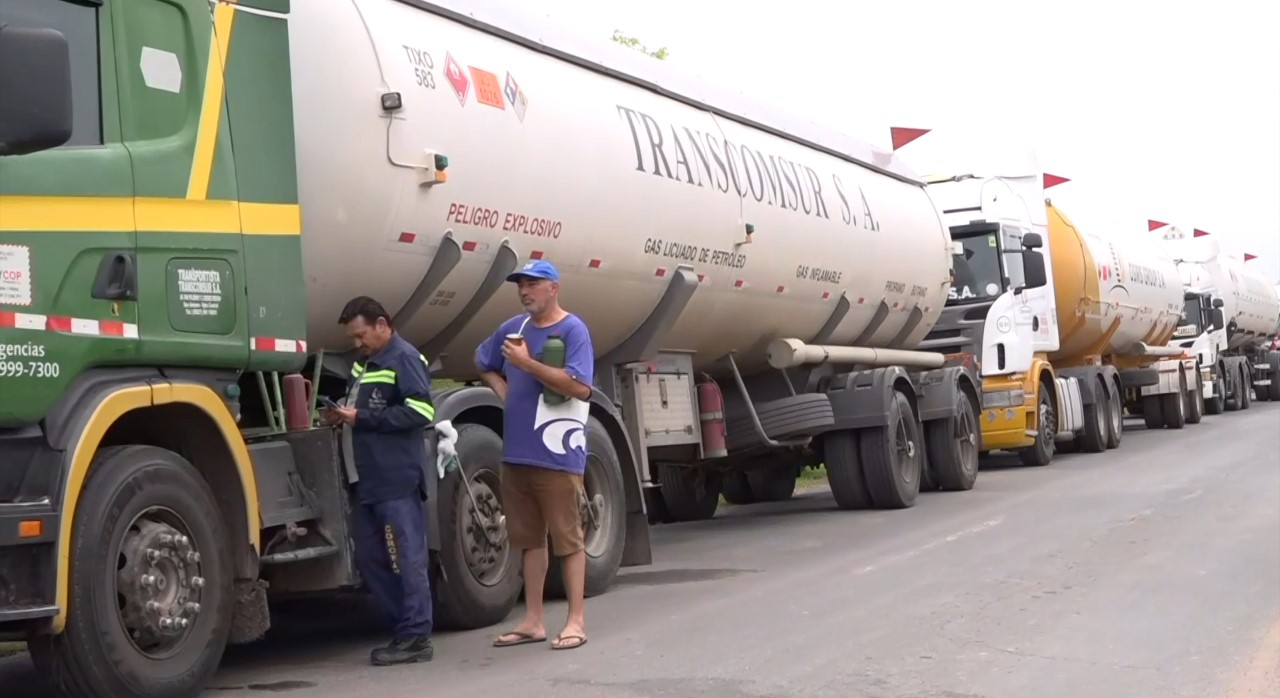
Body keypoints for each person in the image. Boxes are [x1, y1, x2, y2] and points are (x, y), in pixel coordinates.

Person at [474, 259, 595, 651]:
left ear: (553, 288)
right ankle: (533, 620)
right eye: (520, 285)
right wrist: (505, 392)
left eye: (533, 284)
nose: (525, 291)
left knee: (568, 539)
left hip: (558, 452)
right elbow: (482, 360)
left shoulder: (573, 330)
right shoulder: (514, 328)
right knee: (528, 540)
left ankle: (576, 620)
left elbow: (579, 386)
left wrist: (526, 364)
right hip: (518, 452)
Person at [324, 296, 437, 666]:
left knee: (409, 557)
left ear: (383, 325)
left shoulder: (404, 358)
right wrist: (342, 415)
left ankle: (417, 637)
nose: (358, 343)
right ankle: (402, 627)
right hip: (367, 479)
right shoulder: (365, 363)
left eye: (362, 335)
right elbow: (366, 407)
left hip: (396, 477)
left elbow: (421, 410)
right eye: (354, 337)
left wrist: (364, 418)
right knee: (370, 558)